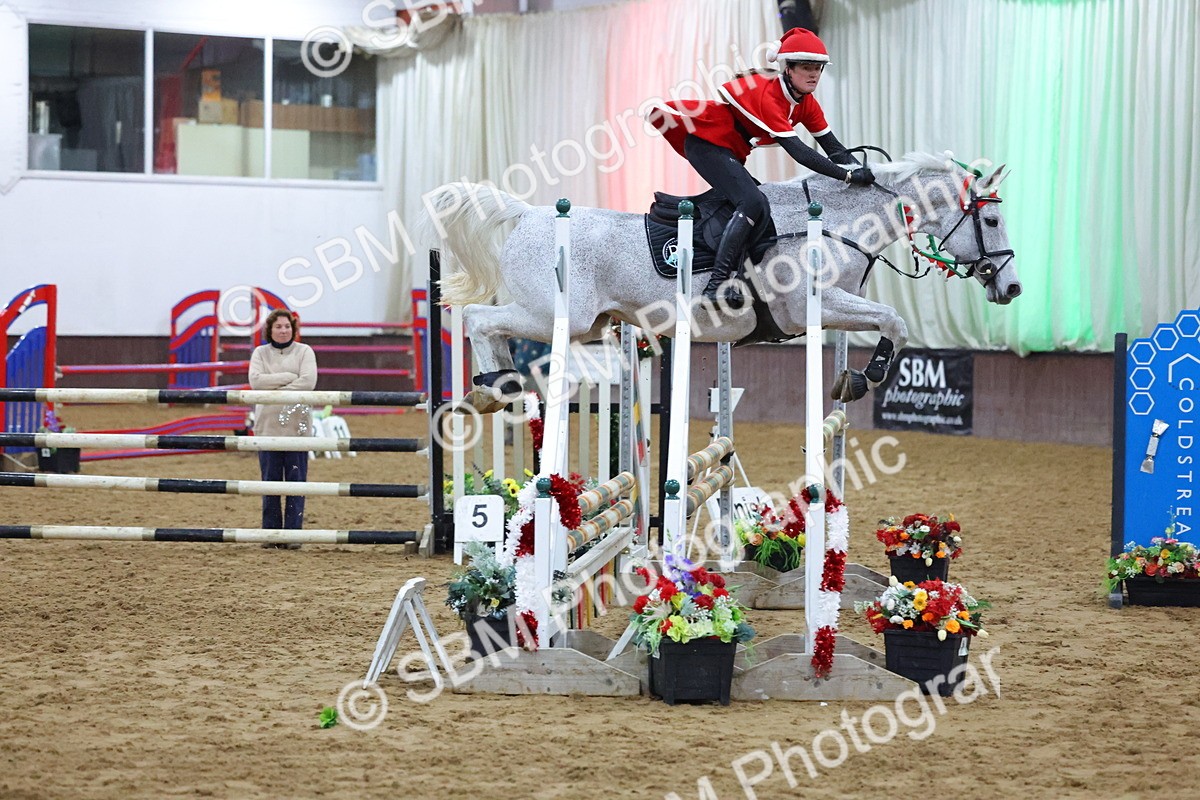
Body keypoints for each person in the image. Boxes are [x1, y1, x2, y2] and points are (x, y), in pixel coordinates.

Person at [647, 27, 875, 305]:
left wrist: (873, 180)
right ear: (788, 69)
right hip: (707, 144)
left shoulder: (807, 104)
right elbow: (801, 153)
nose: (814, 74)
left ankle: (742, 276)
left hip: (729, 150)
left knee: (766, 203)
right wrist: (849, 175)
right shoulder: (771, 96)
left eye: (818, 68)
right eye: (806, 67)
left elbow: (834, 149)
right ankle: (717, 284)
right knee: (754, 202)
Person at [248, 309, 318, 547]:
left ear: (293, 329)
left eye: (287, 326)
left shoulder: (305, 352)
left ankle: (293, 535)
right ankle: (270, 534)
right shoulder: (260, 353)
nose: (283, 330)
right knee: (270, 483)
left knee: (296, 483)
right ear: (270, 329)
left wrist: (274, 391)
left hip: (297, 429)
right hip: (267, 428)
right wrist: (289, 376)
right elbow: (256, 381)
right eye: (278, 326)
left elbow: (308, 382)